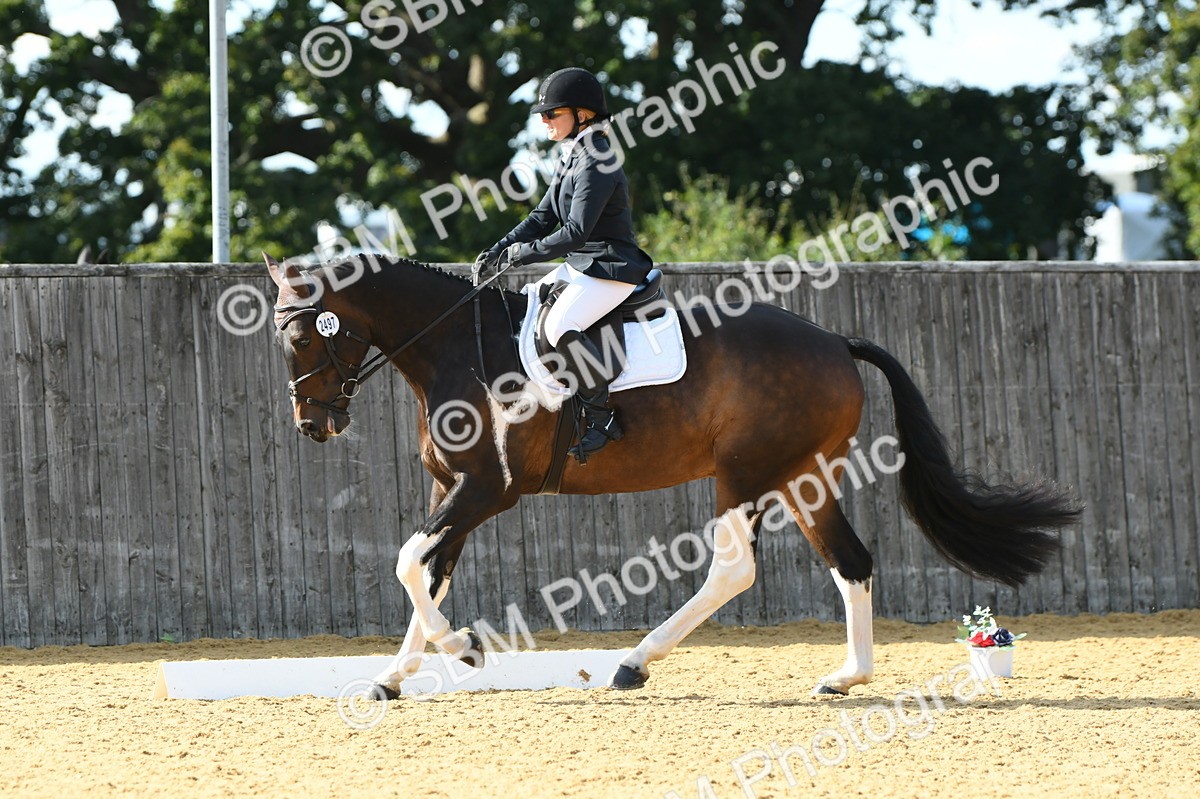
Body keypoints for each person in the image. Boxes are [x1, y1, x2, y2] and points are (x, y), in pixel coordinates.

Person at [477, 67, 653, 459]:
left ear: (584, 114)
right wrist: (499, 247)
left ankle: (600, 415)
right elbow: (543, 216)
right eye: (543, 115)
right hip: (584, 264)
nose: (544, 121)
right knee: (530, 301)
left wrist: (523, 254)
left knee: (559, 324)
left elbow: (574, 231)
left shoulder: (597, 160)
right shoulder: (572, 156)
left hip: (611, 266)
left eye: (552, 114)